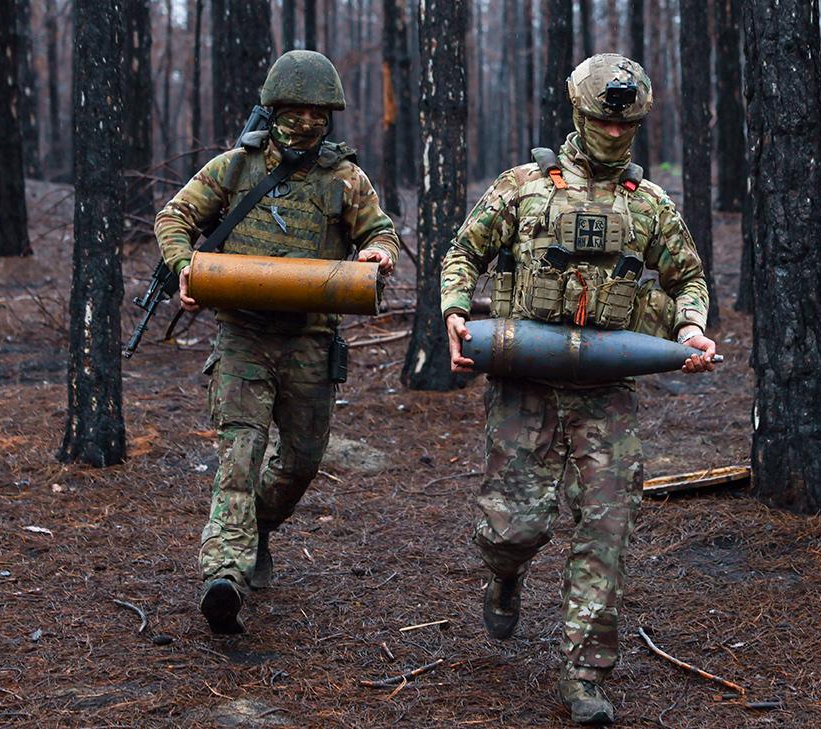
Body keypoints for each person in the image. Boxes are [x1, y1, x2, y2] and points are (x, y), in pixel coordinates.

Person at [439, 53, 716, 724]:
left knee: (609, 526)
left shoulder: (649, 204)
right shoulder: (523, 187)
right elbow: (462, 253)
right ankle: (504, 572)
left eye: (628, 126)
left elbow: (689, 279)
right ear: (578, 114)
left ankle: (585, 676)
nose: (615, 135)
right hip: (524, 383)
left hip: (605, 390)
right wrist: (454, 307)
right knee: (515, 527)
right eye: (602, 122)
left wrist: (691, 325)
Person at [154, 50, 400, 635]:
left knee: (300, 462)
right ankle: (225, 575)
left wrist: (378, 253)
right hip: (242, 335)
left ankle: (256, 527)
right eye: (293, 110)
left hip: (311, 341)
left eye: (316, 111)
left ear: (330, 115)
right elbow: (175, 216)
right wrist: (184, 265)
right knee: (239, 456)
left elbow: (381, 230)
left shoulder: (345, 179)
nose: (305, 122)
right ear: (274, 109)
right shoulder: (236, 169)